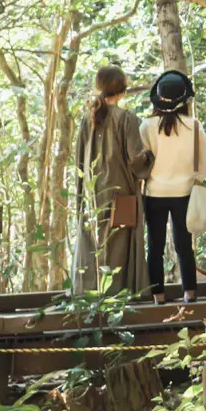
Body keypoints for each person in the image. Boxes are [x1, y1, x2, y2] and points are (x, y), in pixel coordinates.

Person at [73, 64, 153, 298]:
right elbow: (137, 159)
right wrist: (152, 158)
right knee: (118, 245)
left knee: (94, 244)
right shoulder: (126, 119)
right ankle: (117, 298)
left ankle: (91, 295)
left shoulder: (87, 119)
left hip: (92, 194)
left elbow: (79, 159)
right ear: (121, 91)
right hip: (120, 193)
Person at [140, 69, 206, 303]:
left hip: (154, 193)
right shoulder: (194, 126)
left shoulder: (146, 126)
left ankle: (157, 296)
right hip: (184, 193)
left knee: (154, 245)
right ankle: (189, 292)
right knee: (183, 246)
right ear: (184, 99)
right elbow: (202, 166)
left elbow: (141, 163)